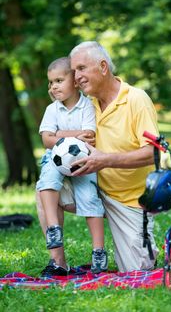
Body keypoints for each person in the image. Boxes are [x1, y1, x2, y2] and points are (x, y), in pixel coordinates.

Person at [69, 41, 160, 272]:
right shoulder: (84, 105)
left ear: (102, 67)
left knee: (138, 271)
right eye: (73, 71)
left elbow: (153, 152)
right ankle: (57, 263)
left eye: (81, 68)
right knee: (46, 188)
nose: (76, 77)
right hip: (92, 190)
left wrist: (104, 160)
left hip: (131, 202)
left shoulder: (136, 99)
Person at [36, 56, 107, 276]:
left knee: (90, 199)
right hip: (55, 161)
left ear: (75, 82)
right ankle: (53, 229)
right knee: (46, 181)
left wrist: (58, 134)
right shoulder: (52, 109)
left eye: (59, 80)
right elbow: (46, 141)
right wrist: (72, 135)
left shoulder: (87, 106)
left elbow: (89, 137)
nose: (53, 86)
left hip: (82, 162)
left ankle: (99, 252)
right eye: (51, 83)